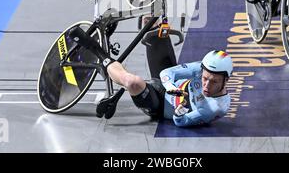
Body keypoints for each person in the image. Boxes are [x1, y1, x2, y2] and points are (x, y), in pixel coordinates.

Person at [97, 50, 232, 127]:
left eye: (214, 82)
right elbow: (166, 73)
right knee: (157, 30)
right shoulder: (201, 68)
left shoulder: (214, 108)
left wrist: (179, 114)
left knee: (132, 82)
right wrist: (170, 87)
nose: (207, 85)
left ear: (226, 80)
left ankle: (97, 53)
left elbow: (181, 122)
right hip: (163, 87)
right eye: (205, 78)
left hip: (160, 107)